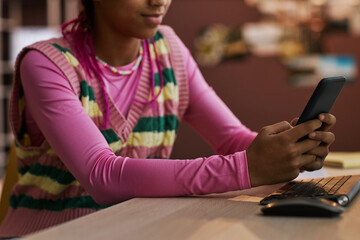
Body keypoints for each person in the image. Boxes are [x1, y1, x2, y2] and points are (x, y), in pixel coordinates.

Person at [0, 0, 335, 237]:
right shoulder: (45, 64)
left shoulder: (167, 48)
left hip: (136, 227)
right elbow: (101, 176)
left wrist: (288, 150)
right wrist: (249, 167)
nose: (159, 0)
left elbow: (231, 139)